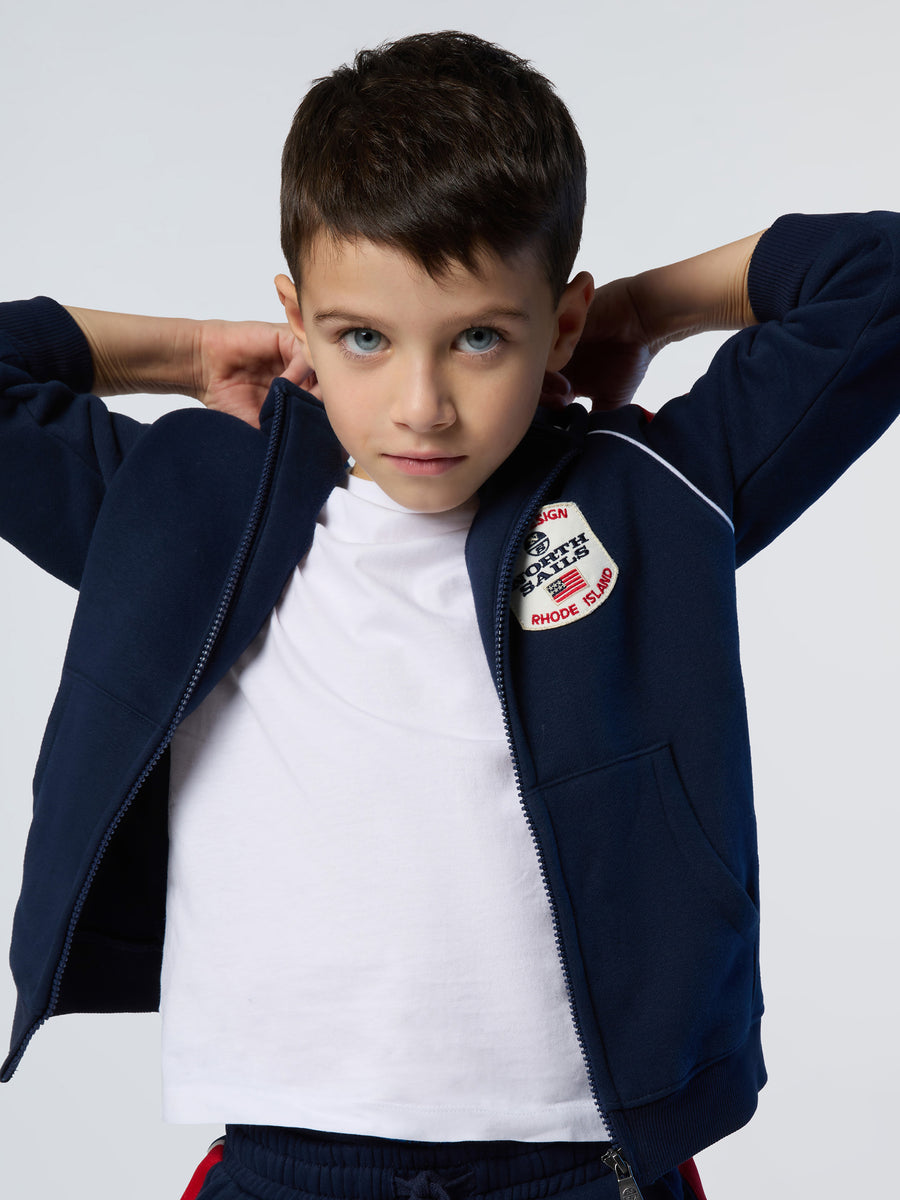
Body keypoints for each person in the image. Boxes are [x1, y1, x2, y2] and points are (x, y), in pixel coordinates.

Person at [0, 28, 897, 1200]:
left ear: (557, 326)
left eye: (479, 336)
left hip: (586, 1164)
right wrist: (188, 355)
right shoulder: (190, 516)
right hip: (289, 1162)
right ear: (300, 321)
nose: (421, 405)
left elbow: (879, 280)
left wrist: (638, 314)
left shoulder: (650, 498)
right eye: (364, 338)